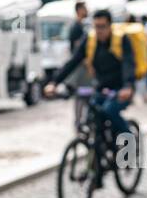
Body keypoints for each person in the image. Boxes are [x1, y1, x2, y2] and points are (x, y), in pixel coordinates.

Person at [45, 9, 135, 141]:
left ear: (110, 26)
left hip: (121, 88)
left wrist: (127, 86)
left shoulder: (121, 40)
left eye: (103, 26)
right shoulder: (90, 40)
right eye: (96, 26)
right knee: (90, 117)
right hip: (101, 87)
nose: (99, 30)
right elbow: (73, 61)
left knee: (109, 110)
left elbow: (128, 64)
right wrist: (54, 82)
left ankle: (130, 143)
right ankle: (99, 152)